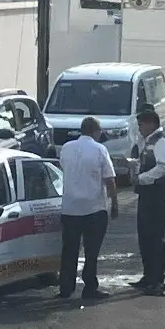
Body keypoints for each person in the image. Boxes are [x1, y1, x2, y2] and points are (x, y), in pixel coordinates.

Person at [57, 117, 118, 300]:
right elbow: (110, 180)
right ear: (96, 131)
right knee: (92, 251)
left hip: (69, 208)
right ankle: (89, 287)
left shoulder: (66, 148)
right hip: (94, 209)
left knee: (69, 250)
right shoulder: (100, 149)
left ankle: (66, 288)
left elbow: (63, 168)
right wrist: (114, 203)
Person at [131, 108, 165, 296]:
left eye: (141, 124)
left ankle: (157, 279)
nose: (139, 128)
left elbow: (163, 167)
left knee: (155, 238)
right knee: (144, 237)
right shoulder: (147, 142)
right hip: (146, 195)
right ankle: (148, 276)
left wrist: (143, 178)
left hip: (157, 196)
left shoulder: (162, 142)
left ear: (151, 124)